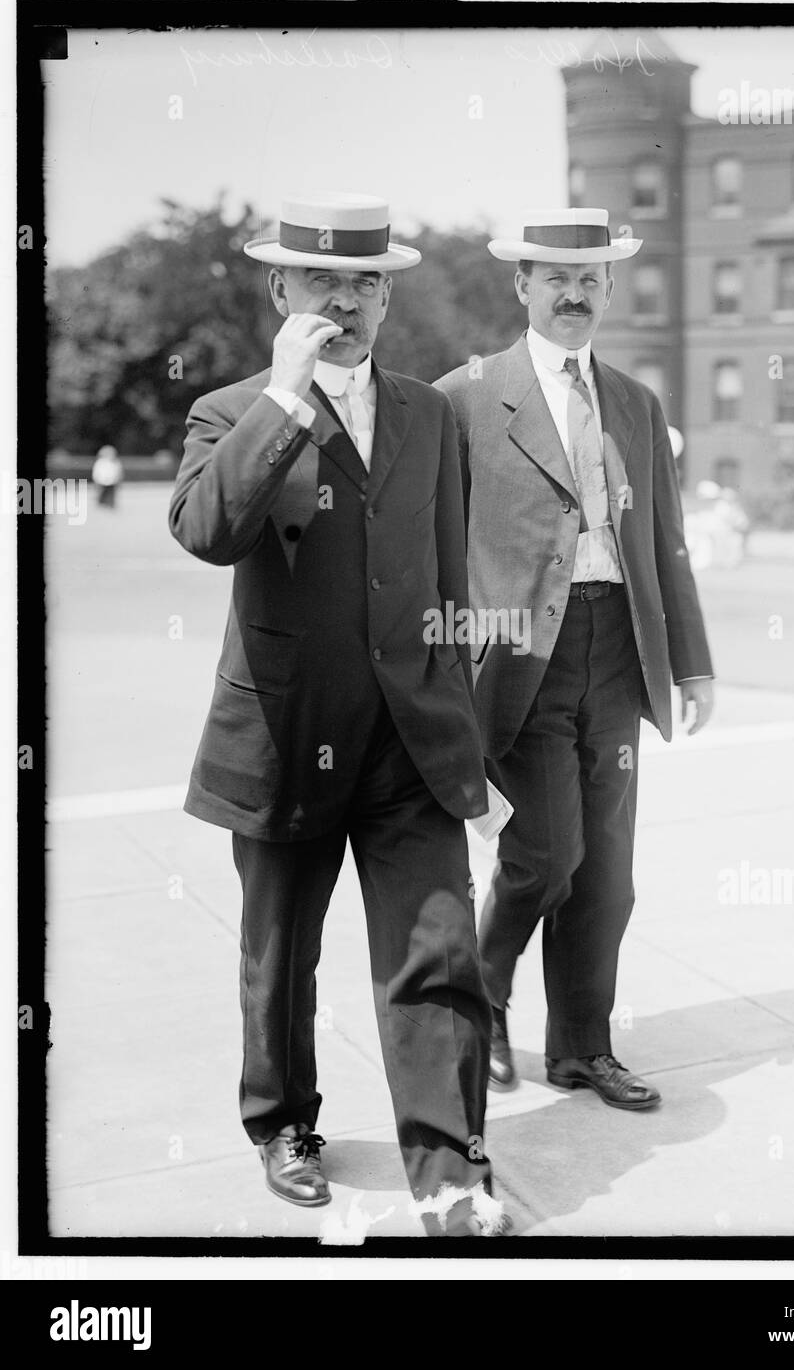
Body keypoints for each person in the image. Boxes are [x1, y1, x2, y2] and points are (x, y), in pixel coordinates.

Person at [169, 193, 505, 1237]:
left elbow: (447, 579)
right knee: (282, 957)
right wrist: (282, 396)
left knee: (437, 950)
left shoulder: (427, 413)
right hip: (279, 733)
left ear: (388, 295)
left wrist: (467, 741)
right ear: (280, 291)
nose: (344, 301)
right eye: (321, 281)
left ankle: (448, 1169)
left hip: (407, 741)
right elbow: (205, 530)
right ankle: (282, 1124)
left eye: (365, 281)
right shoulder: (230, 412)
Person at [435, 208, 715, 1109]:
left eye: (590, 276)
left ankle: (581, 1051)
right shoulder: (466, 396)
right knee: (544, 856)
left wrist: (693, 662)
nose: (573, 292)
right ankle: (476, 994)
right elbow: (434, 546)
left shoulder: (634, 402)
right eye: (554, 276)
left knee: (607, 875)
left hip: (617, 653)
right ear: (521, 285)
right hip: (520, 657)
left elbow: (664, 541)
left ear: (607, 286)